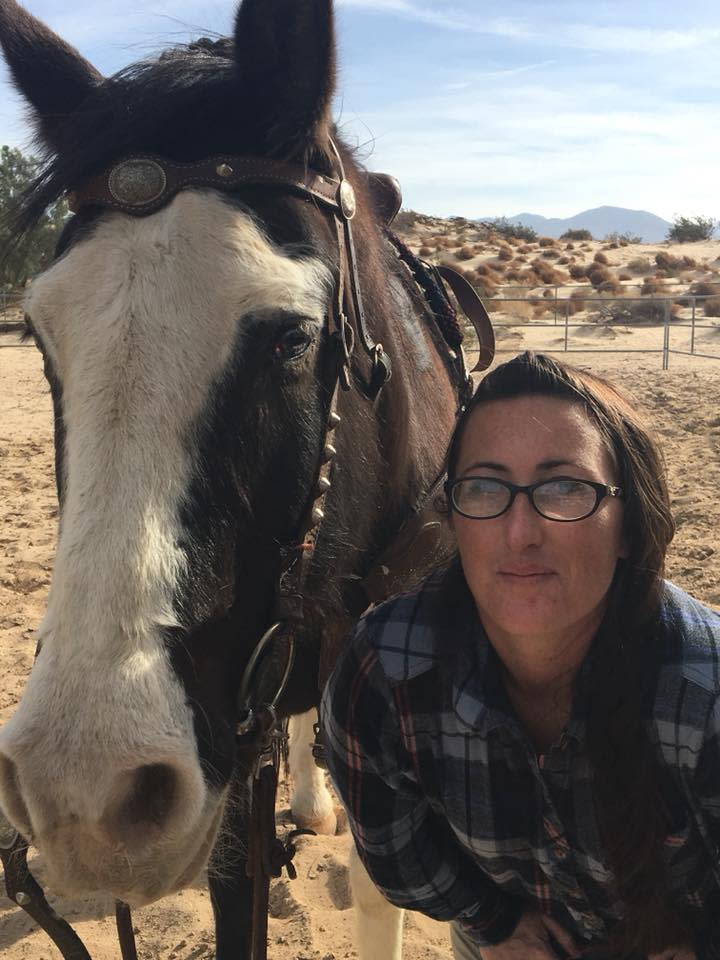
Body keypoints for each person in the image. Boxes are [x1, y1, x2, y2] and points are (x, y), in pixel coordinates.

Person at [321, 351, 720, 960]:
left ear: (631, 526)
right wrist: (491, 921)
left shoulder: (704, 692)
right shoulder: (386, 674)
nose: (519, 532)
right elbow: (395, 851)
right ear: (453, 518)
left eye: (564, 488)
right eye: (485, 488)